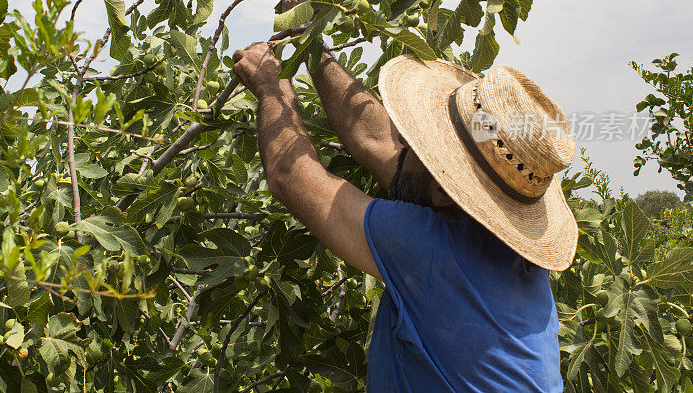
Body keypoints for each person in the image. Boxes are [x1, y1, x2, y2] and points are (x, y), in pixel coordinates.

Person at [232, 41, 578, 392]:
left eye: (418, 143)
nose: (403, 140)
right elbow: (376, 139)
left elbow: (292, 178)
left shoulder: (428, 249)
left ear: (445, 190)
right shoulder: (508, 250)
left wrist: (271, 84)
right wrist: (312, 41)